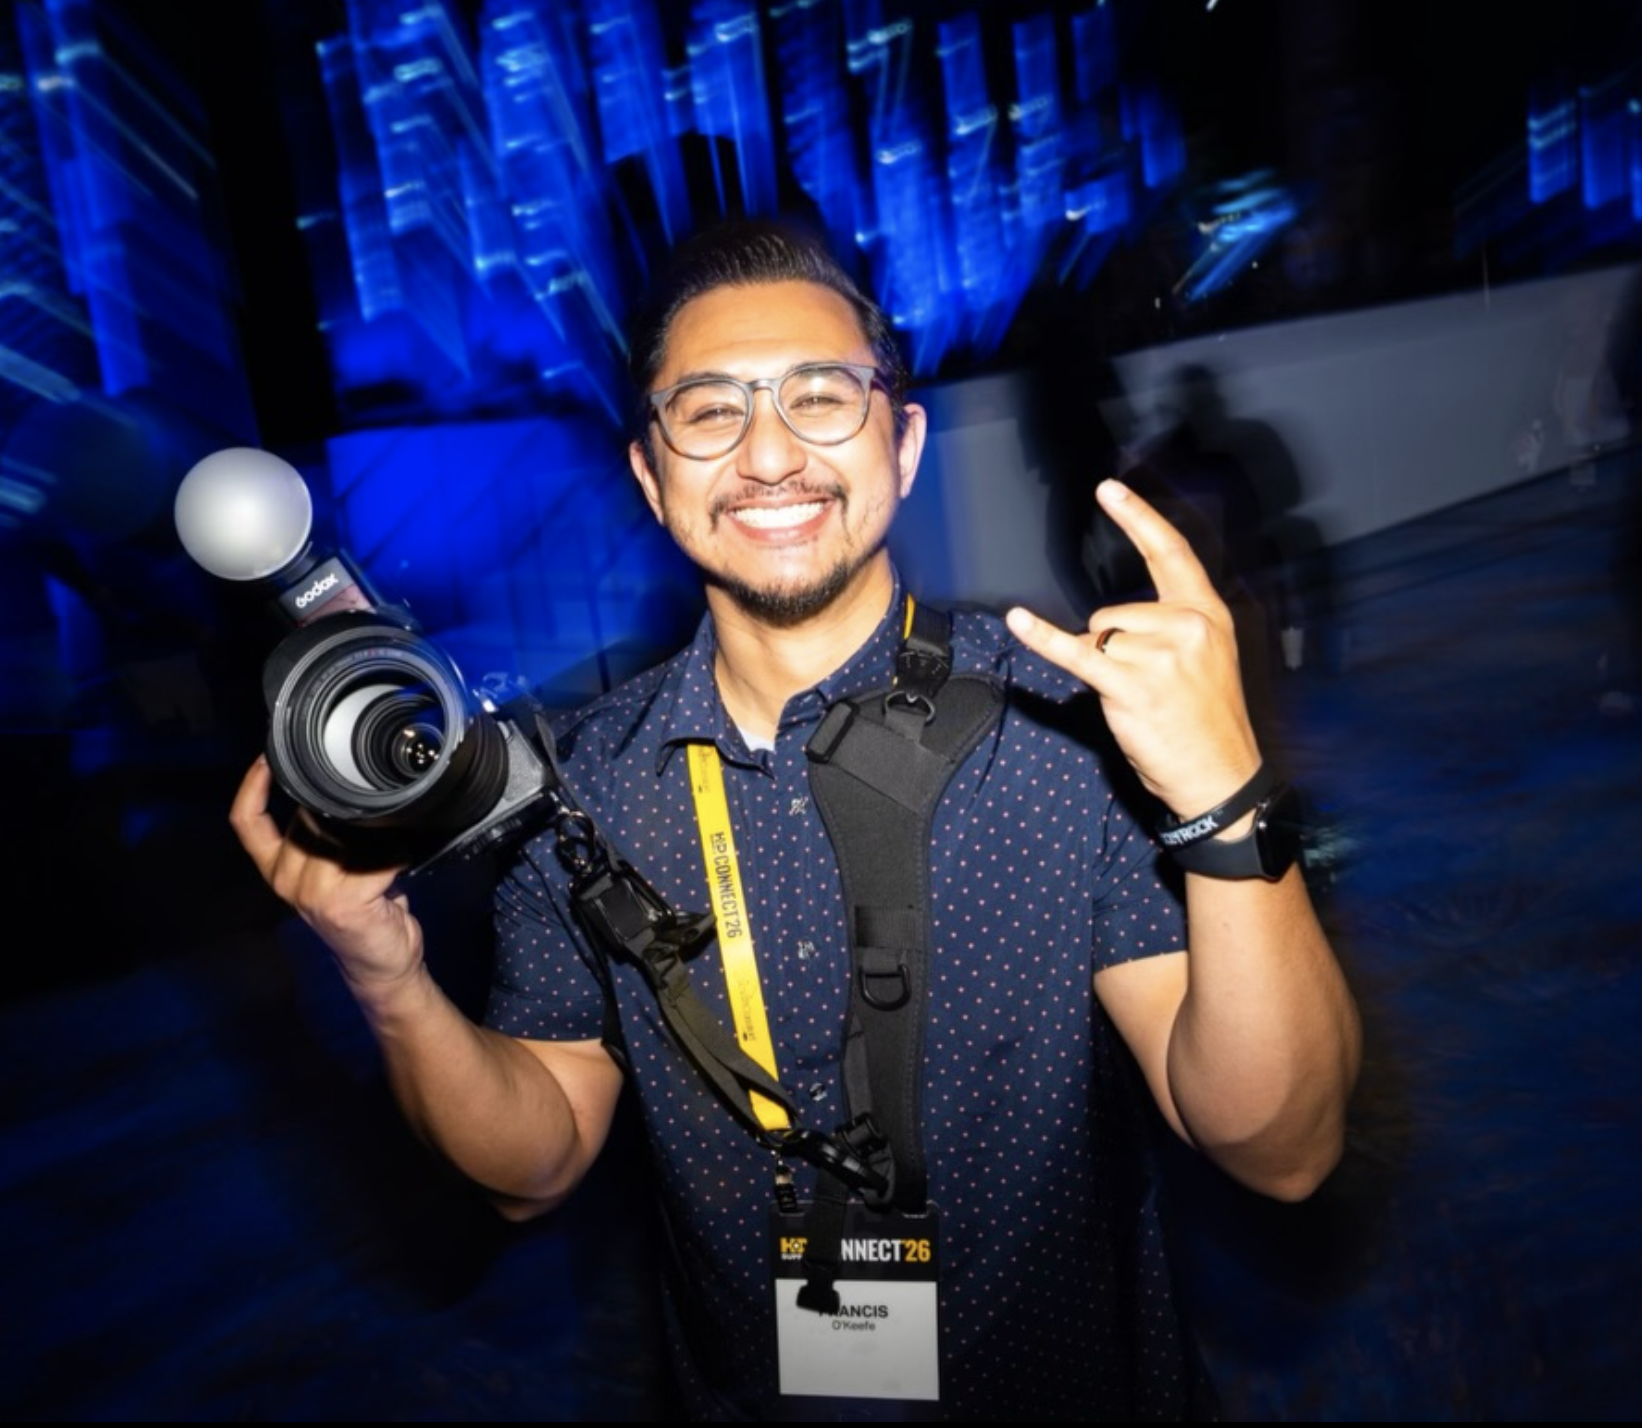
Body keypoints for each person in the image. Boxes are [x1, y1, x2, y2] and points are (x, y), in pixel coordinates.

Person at [231, 220, 1360, 1419]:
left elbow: (1281, 1152)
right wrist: (387, 976)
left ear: (903, 443)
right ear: (650, 475)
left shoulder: (1066, 730)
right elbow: (535, 1164)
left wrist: (1223, 797)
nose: (769, 454)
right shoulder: (580, 789)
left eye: (820, 396)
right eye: (710, 411)